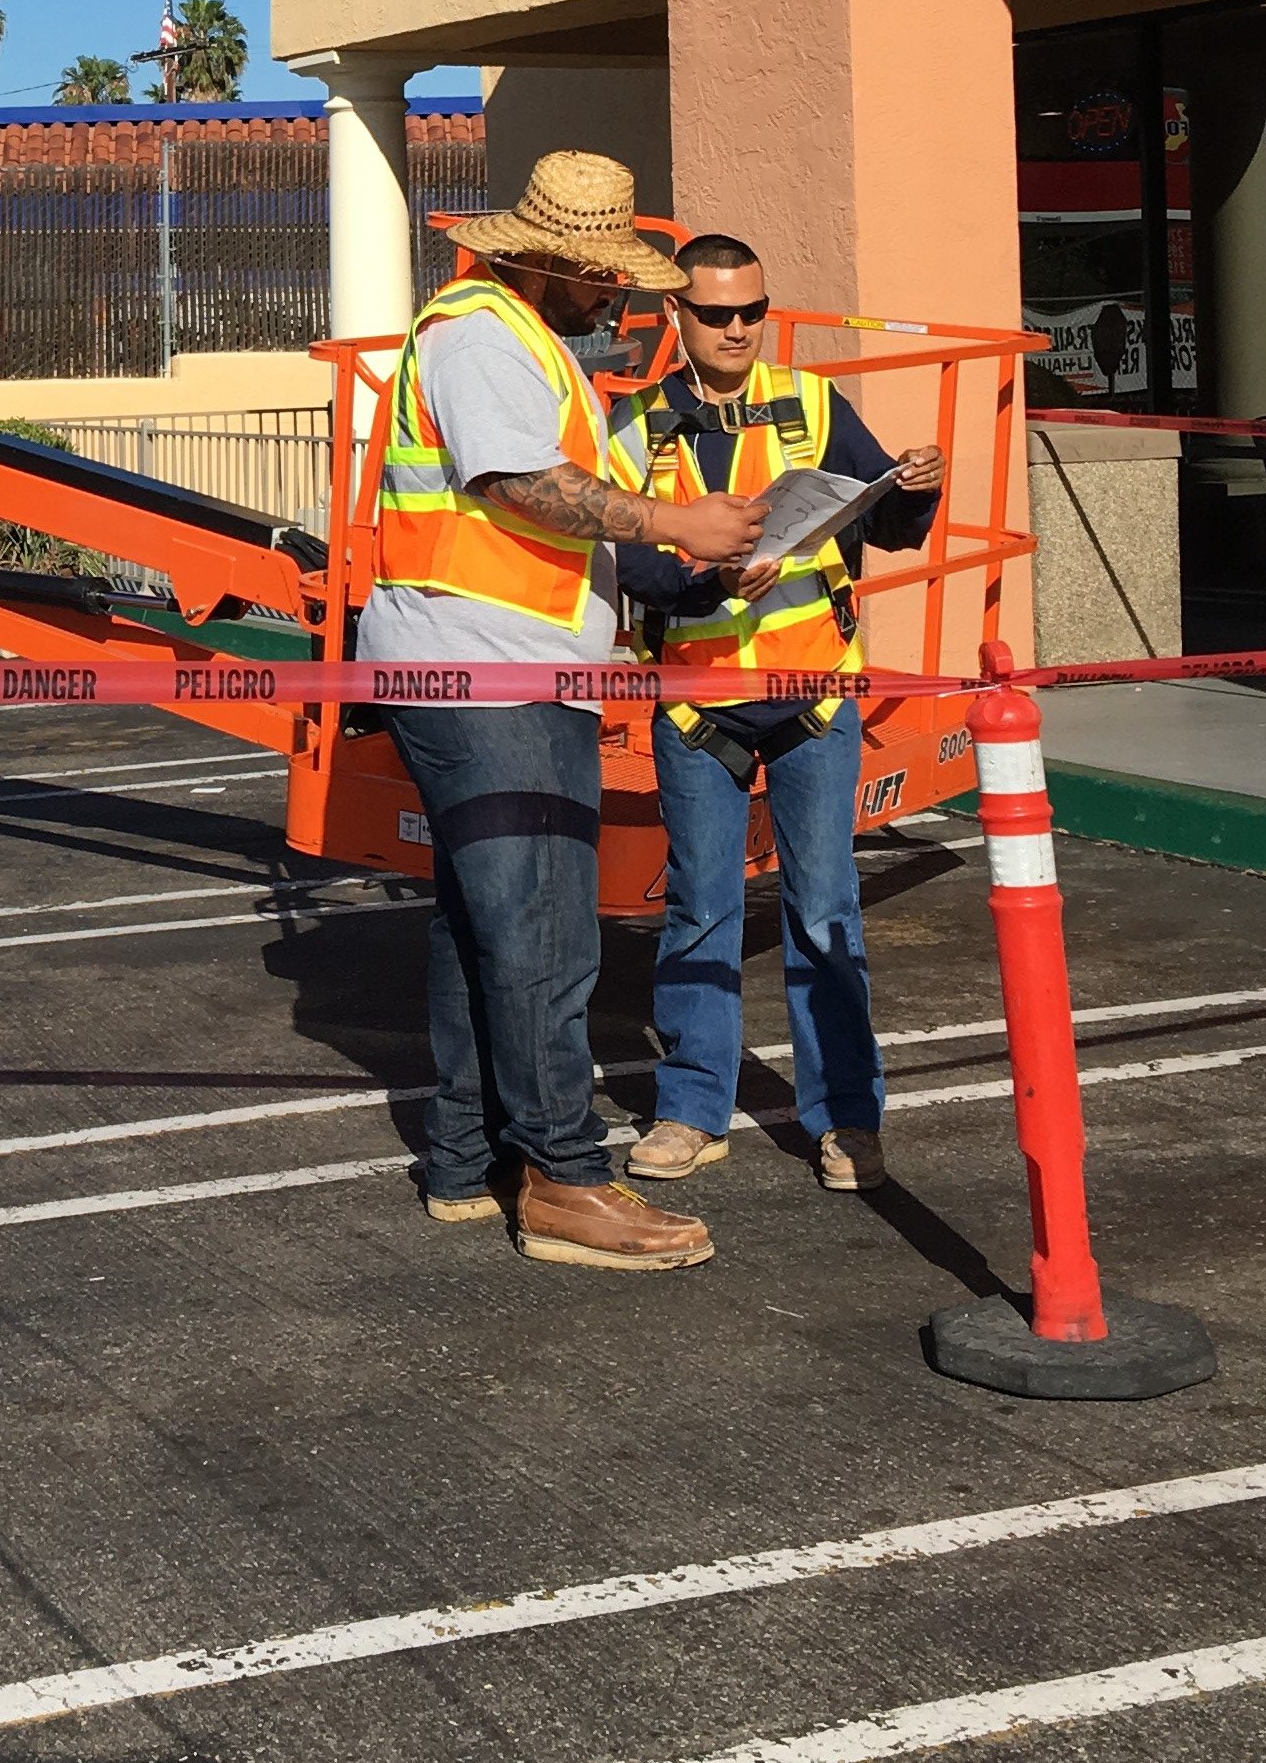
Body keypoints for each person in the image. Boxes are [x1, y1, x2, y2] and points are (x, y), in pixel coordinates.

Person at [364, 151, 766, 1273]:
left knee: (485, 920)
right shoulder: (485, 334)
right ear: (544, 260)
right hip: (490, 670)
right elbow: (512, 485)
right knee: (539, 925)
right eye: (601, 280)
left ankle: (466, 1158)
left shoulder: (515, 336)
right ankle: (564, 1179)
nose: (615, 300)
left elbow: (547, 513)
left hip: (490, 663)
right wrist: (675, 526)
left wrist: (671, 555)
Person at [610, 235, 944, 1194]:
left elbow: (878, 519)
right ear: (678, 318)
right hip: (696, 709)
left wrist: (912, 494)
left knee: (825, 910)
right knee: (701, 910)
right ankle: (690, 1109)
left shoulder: (812, 402)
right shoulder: (640, 428)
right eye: (717, 314)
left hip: (814, 699)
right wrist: (701, 575)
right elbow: (623, 563)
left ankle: (845, 1118)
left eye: (753, 310)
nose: (739, 329)